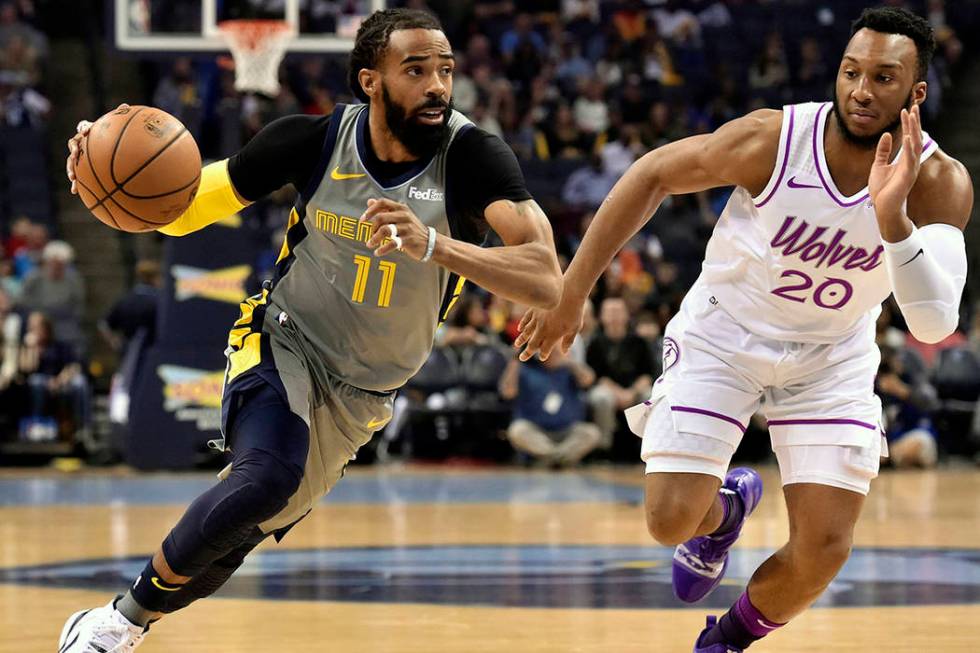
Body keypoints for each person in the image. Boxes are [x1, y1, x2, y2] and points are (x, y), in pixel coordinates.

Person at [59, 8, 561, 650]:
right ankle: (118, 623)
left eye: (445, 70)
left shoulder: (474, 157)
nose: (437, 85)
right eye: (415, 70)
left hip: (365, 392)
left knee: (234, 538)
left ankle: (129, 615)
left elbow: (543, 275)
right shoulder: (312, 140)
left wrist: (434, 244)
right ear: (370, 80)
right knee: (267, 476)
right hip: (287, 340)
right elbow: (185, 208)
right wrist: (104, 164)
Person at [516, 7, 970, 651]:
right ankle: (726, 510)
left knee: (824, 551)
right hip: (726, 334)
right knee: (670, 520)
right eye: (851, 72)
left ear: (916, 92)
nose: (862, 90)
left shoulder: (939, 180)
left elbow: (932, 325)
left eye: (884, 77)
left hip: (831, 356)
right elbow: (652, 174)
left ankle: (727, 639)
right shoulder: (775, 139)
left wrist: (892, 217)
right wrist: (572, 289)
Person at [499, 346, 600, 467]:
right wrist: (515, 361)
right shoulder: (525, 370)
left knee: (592, 433)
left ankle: (550, 459)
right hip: (536, 430)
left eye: (555, 351)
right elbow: (507, 392)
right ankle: (559, 458)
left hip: (567, 430)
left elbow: (588, 379)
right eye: (549, 351)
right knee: (516, 431)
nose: (553, 354)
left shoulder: (568, 370)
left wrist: (570, 362)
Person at [586, 296, 654, 450]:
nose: (614, 316)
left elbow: (647, 374)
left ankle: (647, 446)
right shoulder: (595, 343)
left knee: (649, 396)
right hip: (608, 389)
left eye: (618, 311)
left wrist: (631, 392)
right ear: (601, 316)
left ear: (627, 315)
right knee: (601, 397)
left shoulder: (639, 342)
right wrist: (618, 393)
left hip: (634, 389)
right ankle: (604, 447)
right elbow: (597, 376)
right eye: (610, 312)